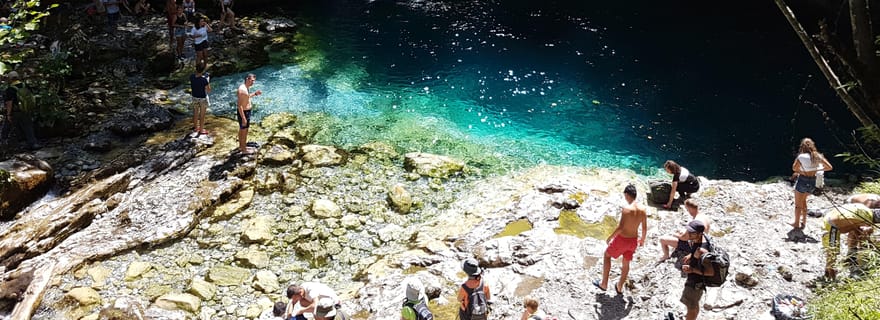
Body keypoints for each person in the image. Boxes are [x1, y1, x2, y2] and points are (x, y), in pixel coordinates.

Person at [593, 184, 647, 295]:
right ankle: (619, 286)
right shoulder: (643, 210)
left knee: (607, 255)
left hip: (622, 239)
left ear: (627, 195)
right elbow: (644, 228)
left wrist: (610, 237)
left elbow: (621, 228)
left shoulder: (626, 209)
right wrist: (642, 240)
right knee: (626, 263)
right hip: (633, 241)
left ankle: (604, 284)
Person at [822, 203, 879, 279]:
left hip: (831, 217)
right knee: (832, 255)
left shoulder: (864, 209)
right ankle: (829, 278)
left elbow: (856, 232)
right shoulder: (867, 219)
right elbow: (863, 238)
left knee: (855, 231)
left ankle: (851, 256)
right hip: (833, 225)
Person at [791, 138, 833, 229]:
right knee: (803, 201)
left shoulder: (801, 157)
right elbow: (829, 167)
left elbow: (794, 168)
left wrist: (802, 171)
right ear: (812, 146)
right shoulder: (817, 156)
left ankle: (796, 223)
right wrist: (817, 169)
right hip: (813, 181)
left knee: (798, 205)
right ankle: (804, 221)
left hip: (802, 180)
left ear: (802, 147)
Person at [679, 220, 714, 320]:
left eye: (692, 233)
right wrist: (691, 255)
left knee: (691, 306)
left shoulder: (703, 250)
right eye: (689, 231)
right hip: (694, 279)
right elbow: (696, 249)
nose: (689, 234)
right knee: (694, 304)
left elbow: (710, 272)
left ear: (699, 233)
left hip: (696, 283)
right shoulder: (699, 240)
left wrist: (692, 270)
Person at [4, 71, 39, 150]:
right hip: (26, 109)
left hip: (16, 111)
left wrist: (8, 114)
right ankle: (33, 143)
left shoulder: (10, 89)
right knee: (28, 127)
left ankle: (21, 144)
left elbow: (9, 103)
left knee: (16, 128)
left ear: (10, 79)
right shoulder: (25, 85)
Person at [236, 73, 261, 154]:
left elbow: (246, 97)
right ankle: (244, 150)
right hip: (244, 112)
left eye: (254, 81)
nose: (253, 82)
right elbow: (239, 105)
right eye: (252, 80)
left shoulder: (245, 87)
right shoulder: (242, 90)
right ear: (247, 79)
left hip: (246, 112)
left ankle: (242, 146)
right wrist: (243, 118)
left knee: (242, 129)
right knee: (244, 131)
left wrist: (255, 94)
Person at [189, 62, 210, 137]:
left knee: (195, 112)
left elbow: (196, 81)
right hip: (202, 98)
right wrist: (207, 80)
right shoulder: (204, 80)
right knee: (202, 114)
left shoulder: (191, 77)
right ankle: (201, 130)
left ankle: (195, 128)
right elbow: (208, 90)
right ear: (203, 70)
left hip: (194, 97)